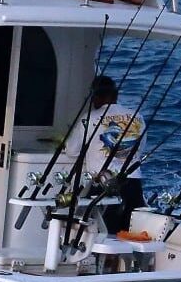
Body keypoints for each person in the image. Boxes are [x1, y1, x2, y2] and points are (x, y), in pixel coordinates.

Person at [60, 75, 146, 233]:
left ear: (96, 96)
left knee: (101, 234)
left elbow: (72, 151)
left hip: (104, 185)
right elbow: (139, 149)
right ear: (116, 95)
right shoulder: (138, 116)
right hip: (134, 186)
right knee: (128, 235)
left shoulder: (88, 118)